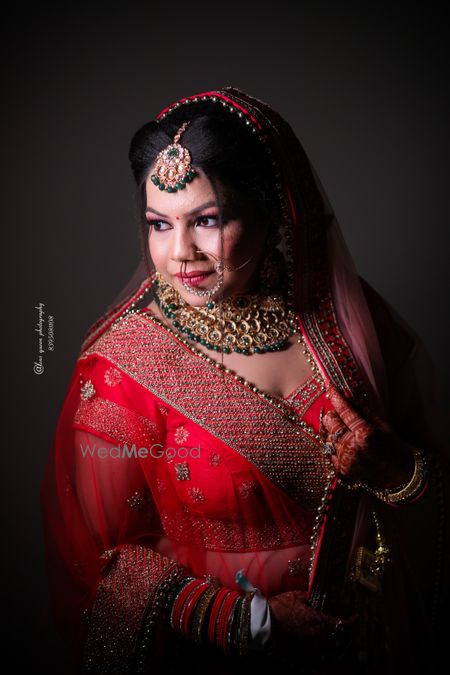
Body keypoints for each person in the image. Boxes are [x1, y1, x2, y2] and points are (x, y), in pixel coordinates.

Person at [40, 87, 450, 675]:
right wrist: (246, 621)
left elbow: (431, 486)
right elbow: (97, 562)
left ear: (271, 211)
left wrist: (397, 474)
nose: (180, 253)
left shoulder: (346, 322)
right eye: (159, 224)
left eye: (207, 220)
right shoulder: (124, 366)